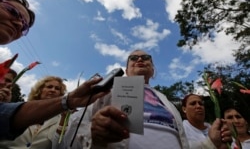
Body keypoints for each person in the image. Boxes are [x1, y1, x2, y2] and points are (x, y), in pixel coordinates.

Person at [54, 49, 232, 149]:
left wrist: (211, 143)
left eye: (146, 58)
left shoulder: (167, 103)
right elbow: (69, 139)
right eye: (134, 58)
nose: (140, 59)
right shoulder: (106, 91)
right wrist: (96, 140)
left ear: (153, 70)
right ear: (126, 68)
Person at [0, 0, 108, 140]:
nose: (19, 23)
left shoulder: (63, 115)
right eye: (12, 11)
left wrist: (68, 102)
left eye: (24, 26)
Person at [0, 76, 69, 148]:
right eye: (49, 87)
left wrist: (64, 120)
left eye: (57, 88)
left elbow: (60, 146)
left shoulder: (62, 120)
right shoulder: (20, 110)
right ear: (40, 90)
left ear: (60, 94)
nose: (53, 90)